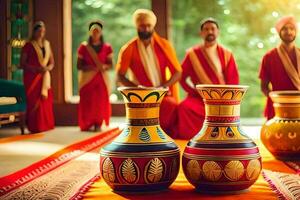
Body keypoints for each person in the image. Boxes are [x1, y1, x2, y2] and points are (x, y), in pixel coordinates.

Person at [116, 9, 182, 135]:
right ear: (137, 26)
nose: (145, 29)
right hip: (140, 94)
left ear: (153, 26)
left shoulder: (164, 45)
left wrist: (163, 87)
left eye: (148, 25)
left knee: (171, 105)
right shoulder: (128, 49)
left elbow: (177, 72)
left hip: (161, 93)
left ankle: (159, 133)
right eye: (142, 26)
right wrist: (137, 89)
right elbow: (120, 75)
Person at [176, 18, 239, 139]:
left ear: (218, 32)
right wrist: (193, 92)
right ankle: (194, 139)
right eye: (206, 29)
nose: (210, 31)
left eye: (213, 29)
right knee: (184, 107)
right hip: (200, 97)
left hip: (222, 98)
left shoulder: (227, 53)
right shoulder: (192, 54)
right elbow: (181, 77)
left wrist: (228, 97)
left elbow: (233, 79)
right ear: (201, 33)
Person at [259, 16, 300, 120]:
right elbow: (264, 87)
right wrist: (278, 100)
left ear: (296, 32)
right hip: (277, 107)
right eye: (285, 29)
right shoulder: (269, 57)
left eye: (292, 29)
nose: (289, 32)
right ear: (279, 32)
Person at [77, 20, 113, 131]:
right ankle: (87, 123)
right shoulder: (83, 47)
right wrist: (91, 68)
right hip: (87, 79)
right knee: (88, 101)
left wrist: (104, 67)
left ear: (101, 33)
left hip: (101, 78)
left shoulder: (107, 47)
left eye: (97, 31)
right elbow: (79, 66)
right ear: (90, 33)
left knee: (100, 102)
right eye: (94, 31)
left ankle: (98, 123)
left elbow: (111, 65)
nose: (95, 34)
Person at [20, 21, 55, 133]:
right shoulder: (28, 45)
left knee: (44, 99)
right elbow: (23, 63)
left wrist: (47, 68)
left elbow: (51, 63)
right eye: (38, 31)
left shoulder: (47, 45)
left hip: (44, 77)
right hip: (32, 77)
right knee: (33, 100)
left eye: (43, 31)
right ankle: (34, 126)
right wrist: (35, 69)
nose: (41, 33)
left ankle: (46, 124)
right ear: (34, 32)